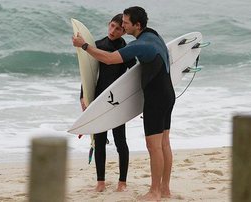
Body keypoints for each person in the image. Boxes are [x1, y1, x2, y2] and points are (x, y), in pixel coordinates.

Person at [72, 6, 175, 201]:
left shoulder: (140, 45)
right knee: (164, 144)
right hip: (168, 94)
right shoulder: (154, 36)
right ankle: (165, 189)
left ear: (137, 25)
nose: (123, 26)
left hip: (155, 99)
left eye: (126, 23)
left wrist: (85, 46)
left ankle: (154, 192)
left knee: (154, 147)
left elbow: (110, 59)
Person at [79, 14, 136, 192]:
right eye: (111, 26)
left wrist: (135, 101)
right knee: (100, 141)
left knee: (120, 141)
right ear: (108, 24)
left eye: (118, 28)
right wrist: (83, 96)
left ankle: (122, 181)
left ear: (124, 31)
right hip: (99, 99)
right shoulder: (97, 46)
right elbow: (88, 72)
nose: (113, 31)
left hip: (117, 101)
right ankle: (100, 182)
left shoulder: (126, 50)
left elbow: (133, 76)